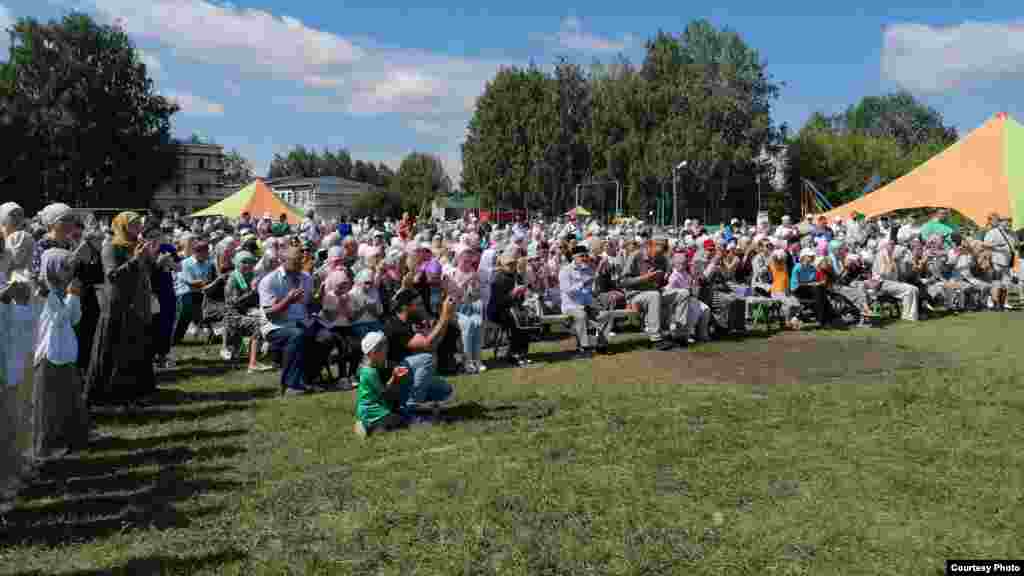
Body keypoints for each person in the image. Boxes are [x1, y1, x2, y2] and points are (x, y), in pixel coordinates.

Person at [87, 211, 157, 404]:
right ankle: (111, 395)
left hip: (138, 304)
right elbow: (112, 276)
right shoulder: (111, 247)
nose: (138, 228)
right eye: (133, 224)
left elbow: (145, 271)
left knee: (136, 350)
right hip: (119, 306)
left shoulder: (137, 245)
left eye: (138, 224)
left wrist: (153, 260)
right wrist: (136, 259)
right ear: (122, 226)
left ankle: (136, 393)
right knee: (116, 350)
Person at [33, 248, 89, 460]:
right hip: (49, 353)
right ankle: (46, 443)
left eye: (70, 268)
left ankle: (64, 437)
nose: (69, 273)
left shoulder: (62, 290)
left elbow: (74, 318)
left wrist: (73, 297)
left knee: (65, 399)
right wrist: (71, 296)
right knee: (48, 403)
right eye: (64, 268)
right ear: (52, 268)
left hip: (64, 351)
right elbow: (57, 321)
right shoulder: (42, 292)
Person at [384, 288, 455, 421]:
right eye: (418, 304)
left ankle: (407, 402)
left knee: (445, 389)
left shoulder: (412, 322)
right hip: (394, 378)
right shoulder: (394, 325)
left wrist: (446, 317)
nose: (422, 308)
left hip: (408, 372)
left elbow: (434, 343)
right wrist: (444, 315)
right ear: (406, 307)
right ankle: (411, 408)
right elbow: (427, 344)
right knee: (426, 359)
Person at [258, 246, 315, 395]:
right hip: (275, 326)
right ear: (283, 261)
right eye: (295, 261)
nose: (299, 264)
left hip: (302, 321)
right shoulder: (269, 281)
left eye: (300, 261)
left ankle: (308, 380)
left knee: (326, 336)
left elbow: (309, 304)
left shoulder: (306, 278)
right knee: (296, 335)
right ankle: (290, 385)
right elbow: (270, 314)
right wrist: (288, 300)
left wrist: (318, 301)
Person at [224, 251, 273, 373]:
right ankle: (253, 363)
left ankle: (268, 355)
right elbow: (234, 303)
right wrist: (252, 291)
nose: (248, 265)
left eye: (250, 262)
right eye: (244, 262)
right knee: (258, 324)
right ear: (236, 263)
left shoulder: (251, 276)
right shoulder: (233, 278)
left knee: (269, 317)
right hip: (233, 315)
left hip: (247, 311)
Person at [352, 331, 408, 438]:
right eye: (383, 350)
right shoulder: (370, 372)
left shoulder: (368, 369)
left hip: (371, 409)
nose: (386, 352)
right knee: (399, 421)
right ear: (372, 353)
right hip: (372, 411)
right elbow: (384, 394)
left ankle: (368, 425)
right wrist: (395, 378)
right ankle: (368, 427)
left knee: (399, 416)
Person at [559, 245, 612, 356]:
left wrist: (595, 300)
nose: (584, 258)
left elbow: (590, 292)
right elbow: (566, 290)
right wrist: (582, 283)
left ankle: (601, 345)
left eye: (586, 255)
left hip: (587, 305)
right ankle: (584, 347)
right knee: (581, 315)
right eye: (581, 256)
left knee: (606, 315)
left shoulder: (588, 270)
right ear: (574, 257)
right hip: (571, 306)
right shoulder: (565, 270)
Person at [486, 247, 533, 365]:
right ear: (503, 265)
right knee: (515, 322)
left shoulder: (517, 276)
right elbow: (498, 301)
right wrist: (513, 294)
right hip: (497, 311)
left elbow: (520, 299)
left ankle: (522, 352)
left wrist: (521, 293)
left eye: (513, 264)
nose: (512, 266)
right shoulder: (497, 278)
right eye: (509, 264)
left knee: (526, 319)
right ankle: (514, 354)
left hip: (513, 308)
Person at [172, 239, 215, 344]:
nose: (207, 254)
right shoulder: (185, 263)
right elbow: (190, 282)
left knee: (208, 309)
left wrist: (210, 283)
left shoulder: (208, 264)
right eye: (206, 252)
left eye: (208, 251)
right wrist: (209, 283)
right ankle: (174, 338)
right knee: (186, 310)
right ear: (197, 252)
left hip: (200, 292)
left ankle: (210, 334)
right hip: (184, 293)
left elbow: (208, 280)